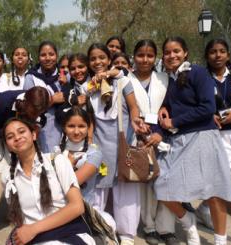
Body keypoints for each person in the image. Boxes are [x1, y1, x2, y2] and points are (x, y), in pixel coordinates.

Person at [155, 36, 231, 245]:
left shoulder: (198, 72)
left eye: (176, 51)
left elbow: (208, 108)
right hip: (179, 141)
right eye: (167, 52)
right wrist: (164, 107)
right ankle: (188, 220)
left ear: (185, 53)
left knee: (213, 192)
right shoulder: (169, 79)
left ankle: (220, 240)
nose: (172, 55)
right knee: (162, 185)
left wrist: (174, 119)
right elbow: (171, 102)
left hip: (203, 137)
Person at [87, 43, 146, 245]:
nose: (98, 62)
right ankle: (100, 230)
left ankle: (127, 235)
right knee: (97, 191)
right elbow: (79, 104)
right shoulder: (90, 85)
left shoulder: (123, 82)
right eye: (93, 58)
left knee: (126, 191)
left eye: (102, 57)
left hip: (122, 144)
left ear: (109, 59)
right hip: (98, 147)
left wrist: (136, 120)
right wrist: (91, 86)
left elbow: (133, 107)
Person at [2, 117, 95, 244]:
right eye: (10, 136)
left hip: (68, 234)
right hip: (34, 240)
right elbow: (19, 219)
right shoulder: (7, 176)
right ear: (8, 146)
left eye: (22, 131)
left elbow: (77, 207)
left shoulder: (57, 161)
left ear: (34, 134)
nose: (17, 138)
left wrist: (34, 229)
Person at [0, 86, 49, 245]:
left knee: (19, 175)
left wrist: (36, 126)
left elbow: (42, 119)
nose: (36, 115)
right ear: (27, 103)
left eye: (39, 112)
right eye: (34, 112)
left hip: (15, 140)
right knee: (1, 179)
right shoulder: (5, 101)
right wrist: (11, 136)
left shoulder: (39, 104)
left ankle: (15, 215)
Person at [128, 39, 178, 245]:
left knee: (167, 182)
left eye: (150, 55)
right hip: (138, 138)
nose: (145, 59)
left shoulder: (165, 78)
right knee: (146, 183)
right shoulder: (125, 80)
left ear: (155, 57)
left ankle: (167, 229)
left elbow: (172, 108)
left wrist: (162, 134)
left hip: (164, 137)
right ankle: (149, 227)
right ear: (134, 56)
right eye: (140, 55)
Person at [195, 38, 231, 230]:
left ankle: (204, 208)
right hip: (215, 138)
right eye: (213, 52)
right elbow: (195, 106)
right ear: (207, 56)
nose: (218, 55)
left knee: (223, 181)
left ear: (228, 55)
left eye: (222, 51)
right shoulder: (202, 78)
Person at [56, 106, 116, 231]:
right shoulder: (56, 151)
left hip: (83, 212)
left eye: (81, 126)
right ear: (64, 128)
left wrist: (68, 164)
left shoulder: (94, 154)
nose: (76, 131)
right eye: (71, 126)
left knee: (109, 223)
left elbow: (73, 182)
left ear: (89, 128)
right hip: (56, 210)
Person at [24, 41, 64, 153]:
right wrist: (52, 100)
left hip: (65, 124)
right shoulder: (31, 77)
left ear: (57, 55)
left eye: (51, 54)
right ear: (38, 57)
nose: (47, 58)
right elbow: (28, 107)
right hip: (42, 127)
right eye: (43, 55)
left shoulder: (65, 74)